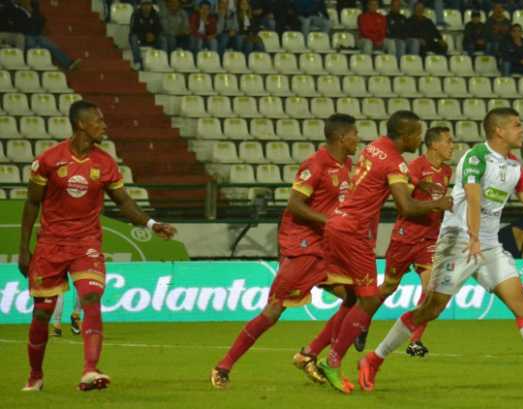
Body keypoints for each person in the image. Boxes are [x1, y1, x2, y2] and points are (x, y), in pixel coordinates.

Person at [358, 107, 523, 393]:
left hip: (488, 245)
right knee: (430, 309)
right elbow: (472, 196)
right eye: (516, 125)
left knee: (522, 303)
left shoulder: (515, 167)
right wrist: (474, 235)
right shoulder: (475, 158)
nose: (522, 130)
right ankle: (374, 358)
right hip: (459, 241)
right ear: (499, 131)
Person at [19, 100, 177, 392]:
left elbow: (124, 203)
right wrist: (24, 248)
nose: (104, 125)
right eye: (98, 120)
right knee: (42, 313)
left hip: (86, 243)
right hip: (51, 244)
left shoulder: (105, 163)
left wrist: (153, 224)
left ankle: (90, 371)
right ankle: (35, 376)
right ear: (81, 124)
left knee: (91, 297)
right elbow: (31, 203)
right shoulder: (49, 160)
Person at [210, 114, 360, 389]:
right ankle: (223, 366)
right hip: (302, 246)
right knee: (273, 311)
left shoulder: (348, 165)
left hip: (327, 247)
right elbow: (294, 204)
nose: (357, 139)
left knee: (356, 296)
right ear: (341, 137)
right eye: (354, 134)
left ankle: (309, 354)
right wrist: (330, 221)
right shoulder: (315, 164)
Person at [315, 111, 453, 394]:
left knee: (358, 298)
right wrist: (442, 203)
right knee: (368, 301)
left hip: (336, 223)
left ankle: (316, 350)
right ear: (405, 136)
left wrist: (419, 187)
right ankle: (332, 360)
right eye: (417, 133)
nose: (420, 138)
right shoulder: (397, 164)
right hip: (353, 232)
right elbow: (407, 207)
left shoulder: (375, 146)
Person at [354, 127, 453, 354]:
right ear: (434, 144)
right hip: (405, 238)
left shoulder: (447, 171)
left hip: (429, 239)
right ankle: (362, 322)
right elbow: (405, 205)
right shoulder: (415, 167)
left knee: (431, 290)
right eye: (448, 141)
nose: (452, 146)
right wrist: (432, 200)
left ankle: (414, 340)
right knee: (388, 287)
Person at [18, 0, 81, 71]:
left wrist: (33, 16)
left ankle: (68, 63)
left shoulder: (37, 14)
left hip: (37, 35)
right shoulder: (19, 11)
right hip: (25, 35)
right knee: (33, 45)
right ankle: (37, 66)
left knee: (51, 45)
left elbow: (40, 25)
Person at [129, 0, 163, 70]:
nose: (146, 7)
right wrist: (145, 36)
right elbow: (133, 29)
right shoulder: (135, 14)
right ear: (141, 5)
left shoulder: (155, 14)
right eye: (144, 4)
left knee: (162, 39)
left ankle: (162, 60)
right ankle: (137, 62)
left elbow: (159, 28)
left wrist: (154, 35)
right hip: (140, 38)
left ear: (151, 5)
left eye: (148, 4)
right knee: (133, 37)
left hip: (152, 38)